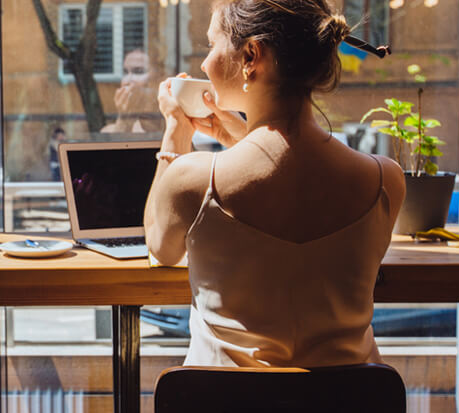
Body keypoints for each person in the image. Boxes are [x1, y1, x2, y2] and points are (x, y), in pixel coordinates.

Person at [143, 0, 405, 368]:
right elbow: (294, 185)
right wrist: (240, 138)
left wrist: (174, 133)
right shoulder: (384, 182)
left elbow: (158, 246)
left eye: (211, 45)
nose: (204, 63)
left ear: (251, 55)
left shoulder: (193, 180)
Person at [101, 49, 162, 134]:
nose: (127, 81)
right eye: (125, 72)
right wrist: (124, 121)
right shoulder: (108, 132)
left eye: (138, 71)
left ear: (157, 78)